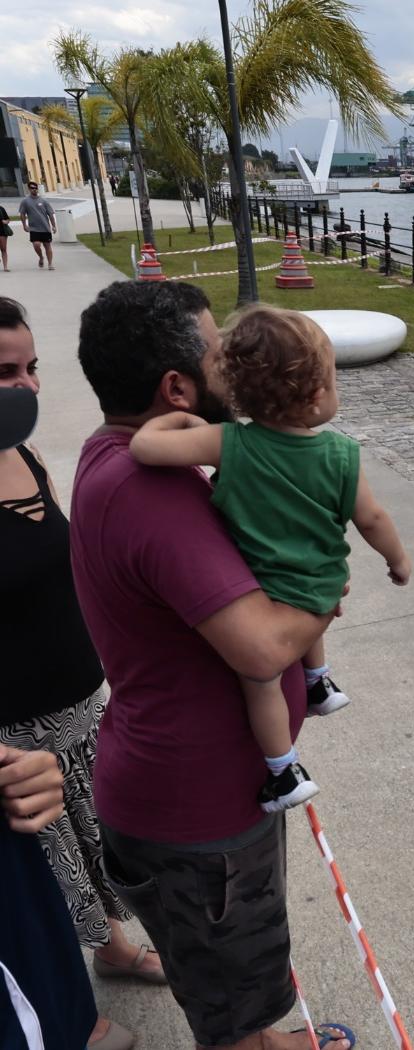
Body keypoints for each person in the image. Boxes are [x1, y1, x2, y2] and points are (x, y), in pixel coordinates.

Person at [71, 280, 355, 1050]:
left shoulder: (126, 456)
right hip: (197, 818)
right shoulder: (149, 493)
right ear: (177, 386)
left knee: (238, 978)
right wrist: (327, 592)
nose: (238, 364)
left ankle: (264, 1038)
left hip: (194, 795)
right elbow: (263, 646)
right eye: (220, 352)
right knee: (230, 995)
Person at [130, 304, 411, 812]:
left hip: (265, 591)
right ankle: (316, 684)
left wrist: (172, 420)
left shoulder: (228, 444)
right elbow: (372, 520)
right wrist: (398, 562)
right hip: (323, 584)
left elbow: (144, 449)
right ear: (319, 393)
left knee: (259, 685)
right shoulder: (342, 455)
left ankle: (284, 771)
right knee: (305, 599)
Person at [0, 384, 132, 1050]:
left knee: (95, 841)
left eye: (30, 366)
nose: (22, 384)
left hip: (78, 700)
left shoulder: (22, 450)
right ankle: (70, 1014)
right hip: (13, 728)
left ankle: (114, 949)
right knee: (47, 870)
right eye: (2, 367)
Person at [18, 183, 56, 271]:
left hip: (45, 228)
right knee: (36, 245)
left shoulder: (44, 201)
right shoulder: (25, 201)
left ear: (37, 189)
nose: (34, 189)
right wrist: (24, 225)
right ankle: (41, 257)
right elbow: (22, 214)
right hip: (34, 228)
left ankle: (50, 263)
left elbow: (50, 214)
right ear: (29, 189)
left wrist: (54, 226)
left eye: (35, 188)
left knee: (47, 246)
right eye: (32, 188)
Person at [0, 203, 11, 272]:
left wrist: (5, 222)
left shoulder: (1, 208)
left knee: (3, 249)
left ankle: (5, 267)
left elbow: (8, 219)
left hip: (2, 231)